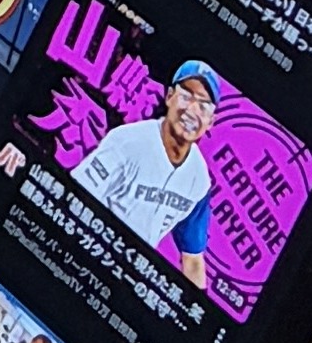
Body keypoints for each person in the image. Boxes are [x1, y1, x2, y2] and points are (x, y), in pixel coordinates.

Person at [67, 60, 226, 268]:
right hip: (84, 252)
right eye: (186, 97)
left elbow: (193, 258)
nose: (192, 110)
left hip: (130, 275)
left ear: (211, 121)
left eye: (203, 106)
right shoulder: (126, 141)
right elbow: (73, 197)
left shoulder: (199, 178)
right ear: (169, 96)